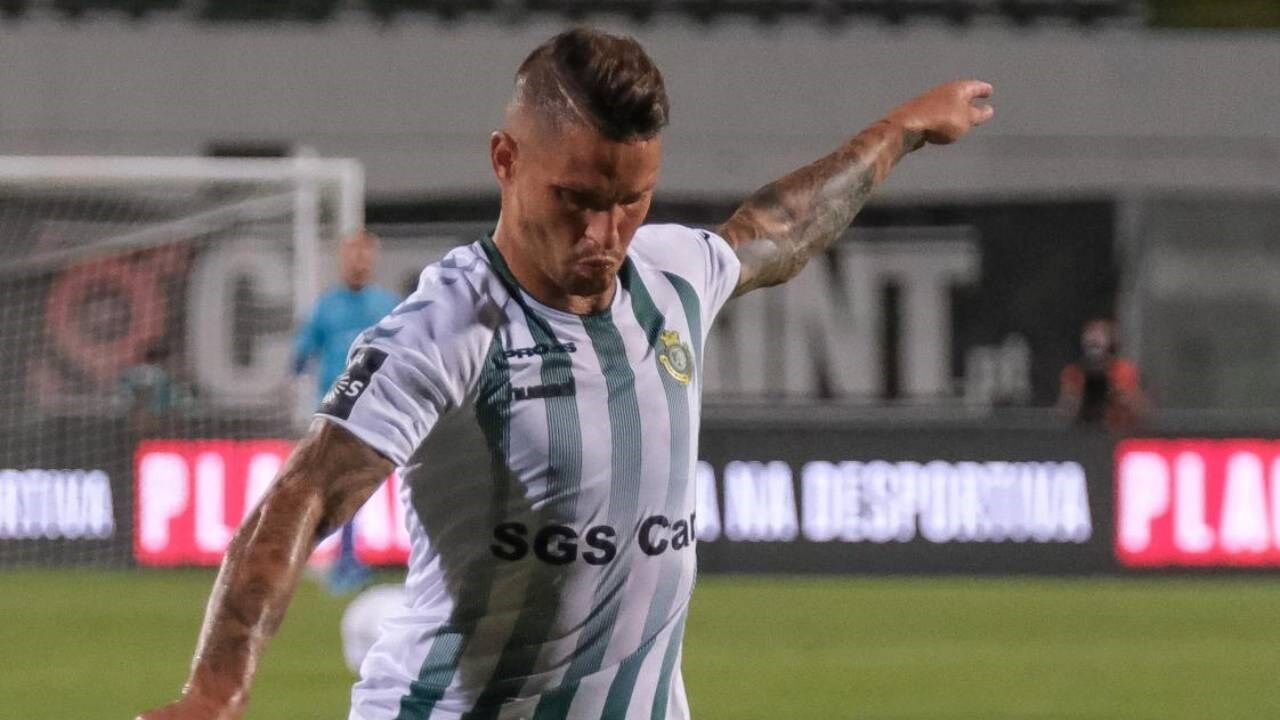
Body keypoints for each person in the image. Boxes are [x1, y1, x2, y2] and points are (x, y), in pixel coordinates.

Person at [139, 27, 992, 720]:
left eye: (630, 201)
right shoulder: (447, 327)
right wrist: (218, 691)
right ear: (506, 160)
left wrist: (903, 129)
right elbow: (301, 496)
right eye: (576, 200)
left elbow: (781, 229)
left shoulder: (674, 275)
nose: (603, 235)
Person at [292, 229, 401, 594]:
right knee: (339, 484)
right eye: (353, 254)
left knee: (356, 485)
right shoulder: (326, 307)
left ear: (373, 260)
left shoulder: (388, 305)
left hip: (379, 408)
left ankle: (347, 559)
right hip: (334, 411)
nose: (359, 262)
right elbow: (302, 353)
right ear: (342, 260)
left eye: (365, 255)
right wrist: (297, 366)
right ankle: (345, 559)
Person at [1058, 318, 1144, 432]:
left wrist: (1116, 391)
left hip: (1117, 432)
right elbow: (1064, 413)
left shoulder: (1123, 370)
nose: (1093, 339)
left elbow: (1140, 411)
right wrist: (1077, 396)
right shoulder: (1073, 373)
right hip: (1083, 432)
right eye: (1090, 337)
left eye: (1099, 336)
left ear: (1110, 343)